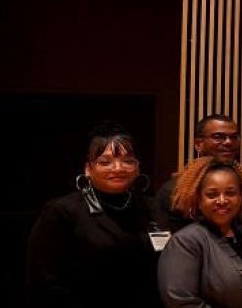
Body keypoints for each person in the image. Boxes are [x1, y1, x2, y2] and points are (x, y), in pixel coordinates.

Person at [25, 122, 164, 308]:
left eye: (128, 161)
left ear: (138, 168)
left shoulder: (153, 207)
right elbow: (46, 282)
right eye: (105, 162)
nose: (118, 168)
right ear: (88, 169)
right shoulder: (63, 211)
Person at [158, 159, 242, 308]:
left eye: (230, 193)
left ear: (241, 197)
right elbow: (181, 302)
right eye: (212, 194)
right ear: (199, 199)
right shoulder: (185, 242)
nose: (222, 200)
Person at [154, 115, 242, 243]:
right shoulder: (174, 191)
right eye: (218, 137)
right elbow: (166, 245)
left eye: (233, 137)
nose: (228, 142)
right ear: (199, 144)